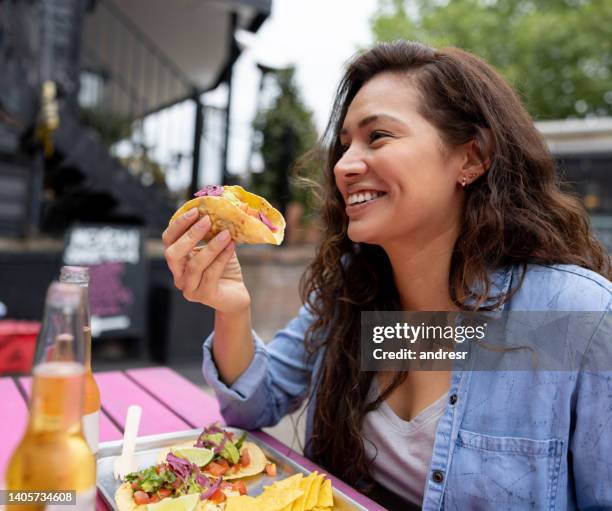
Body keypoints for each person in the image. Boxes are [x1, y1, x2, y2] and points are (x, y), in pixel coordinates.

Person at [162, 40, 612, 509]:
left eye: (377, 137)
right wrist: (232, 308)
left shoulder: (573, 315)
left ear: (471, 158)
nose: (343, 166)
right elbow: (255, 405)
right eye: (344, 146)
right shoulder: (355, 295)